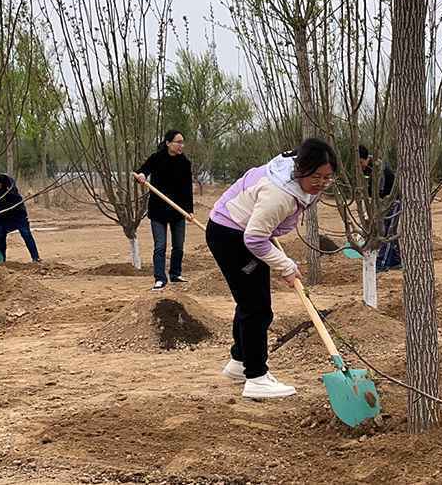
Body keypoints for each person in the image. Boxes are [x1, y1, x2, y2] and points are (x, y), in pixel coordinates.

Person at [206, 138, 337, 399]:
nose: (321, 183)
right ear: (301, 168)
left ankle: (240, 362)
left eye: (328, 177)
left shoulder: (293, 178)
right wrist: (285, 265)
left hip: (238, 229)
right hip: (232, 236)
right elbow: (254, 238)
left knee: (249, 301)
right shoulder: (279, 196)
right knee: (256, 307)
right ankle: (256, 377)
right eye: (316, 176)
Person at [134, 130, 194, 291]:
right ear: (168, 143)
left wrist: (189, 210)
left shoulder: (185, 163)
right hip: (158, 210)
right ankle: (160, 279)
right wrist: (141, 176)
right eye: (178, 142)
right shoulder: (156, 158)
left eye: (182, 142)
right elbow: (142, 171)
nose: (181, 145)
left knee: (179, 246)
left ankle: (175, 274)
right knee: (160, 246)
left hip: (178, 211)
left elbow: (188, 189)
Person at [358, 145, 401, 271]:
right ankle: (395, 261)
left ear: (366, 158)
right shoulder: (367, 169)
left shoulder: (378, 168)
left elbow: (379, 192)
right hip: (383, 203)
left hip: (392, 201)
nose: (360, 166)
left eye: (361, 162)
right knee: (386, 231)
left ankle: (382, 263)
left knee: (387, 233)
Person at [0, 171, 41, 262]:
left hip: (17, 213)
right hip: (1, 216)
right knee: (0, 235)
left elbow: (5, 206)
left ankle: (35, 258)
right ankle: (1, 260)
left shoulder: (10, 188)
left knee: (26, 233)